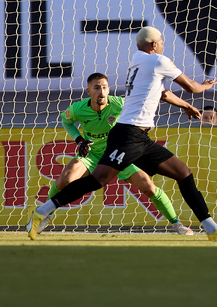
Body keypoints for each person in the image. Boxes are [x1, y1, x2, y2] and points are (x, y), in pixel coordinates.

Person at [27, 26, 217, 241]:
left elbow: (162, 93)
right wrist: (204, 86)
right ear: (153, 45)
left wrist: (184, 106)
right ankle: (43, 211)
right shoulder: (159, 61)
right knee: (98, 180)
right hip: (127, 135)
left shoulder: (137, 62)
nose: (162, 45)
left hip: (140, 138)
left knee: (183, 173)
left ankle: (212, 229)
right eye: (161, 42)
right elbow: (192, 87)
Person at [38, 73, 193, 235]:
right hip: (93, 155)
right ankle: (45, 217)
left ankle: (177, 224)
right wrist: (79, 140)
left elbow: (141, 112)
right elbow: (66, 121)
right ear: (88, 91)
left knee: (149, 188)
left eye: (104, 87)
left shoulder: (119, 104)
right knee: (65, 179)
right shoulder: (77, 109)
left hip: (119, 154)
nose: (102, 92)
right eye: (97, 88)